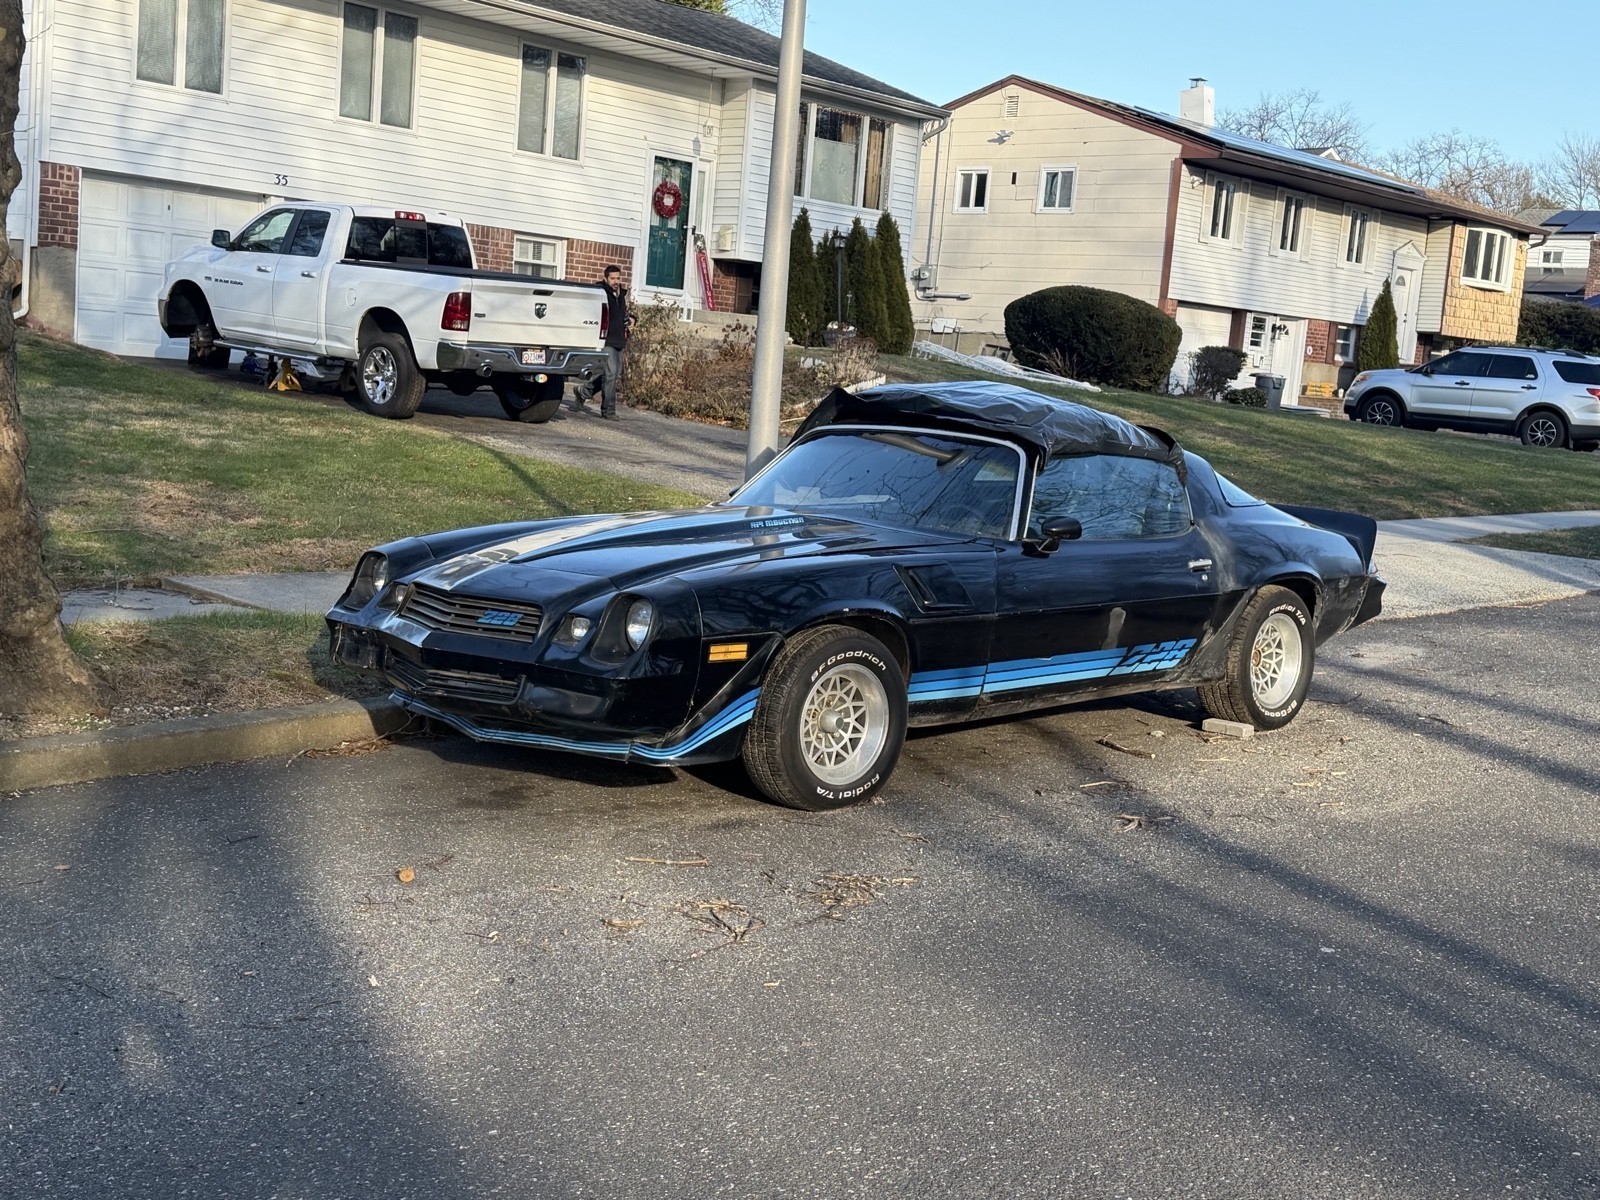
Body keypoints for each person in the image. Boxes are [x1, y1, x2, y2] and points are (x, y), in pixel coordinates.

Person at [572, 265, 632, 419]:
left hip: (619, 339)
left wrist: (631, 319)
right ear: (606, 278)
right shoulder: (600, 293)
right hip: (607, 339)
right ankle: (608, 411)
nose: (616, 281)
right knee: (611, 374)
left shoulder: (621, 294)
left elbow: (623, 314)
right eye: (612, 278)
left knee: (613, 374)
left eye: (618, 278)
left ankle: (583, 392)